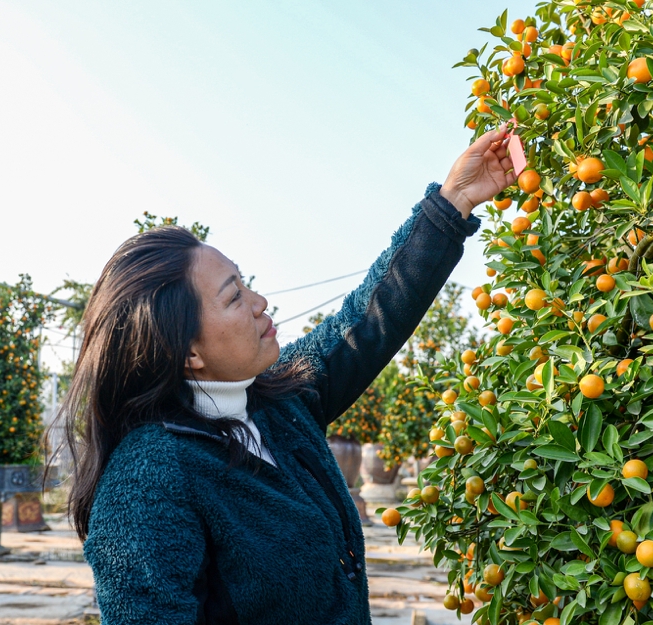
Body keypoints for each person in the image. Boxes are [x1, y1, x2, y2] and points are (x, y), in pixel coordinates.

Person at [54, 125, 515, 624]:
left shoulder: (279, 405)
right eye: (234, 296)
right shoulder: (149, 480)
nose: (259, 303)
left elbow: (366, 321)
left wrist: (455, 200)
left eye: (246, 284)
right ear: (186, 351)